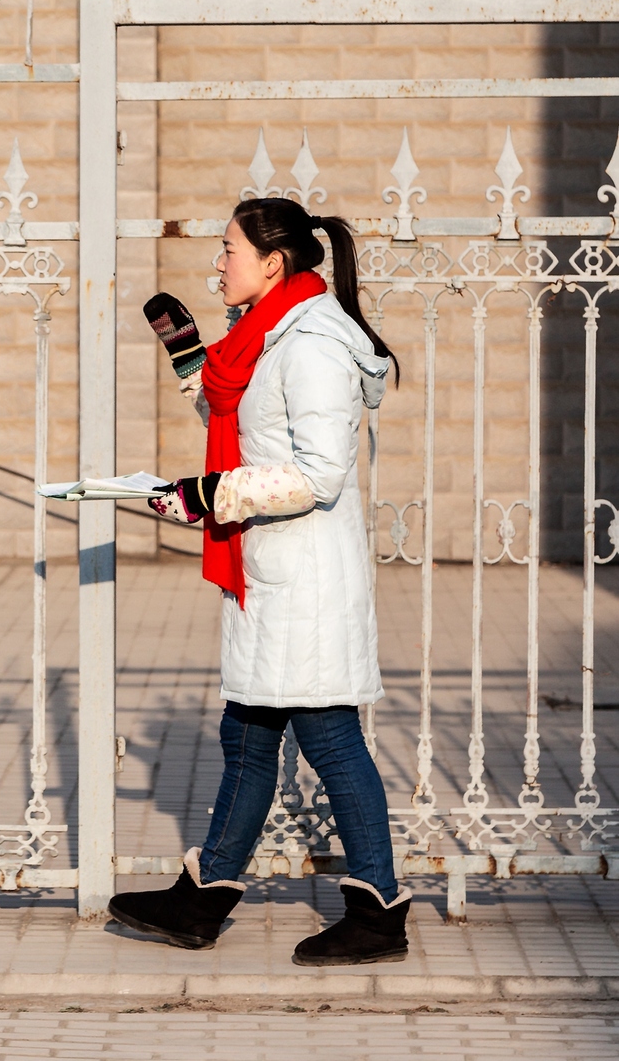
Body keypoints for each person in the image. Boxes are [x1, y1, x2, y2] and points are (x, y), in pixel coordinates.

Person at [108, 197, 410, 967]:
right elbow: (237, 408)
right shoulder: (265, 335)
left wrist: (208, 494)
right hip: (268, 573)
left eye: (228, 250)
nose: (218, 264)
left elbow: (316, 472)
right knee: (246, 738)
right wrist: (188, 362)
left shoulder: (311, 344)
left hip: (304, 577)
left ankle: (378, 909)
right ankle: (204, 895)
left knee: (331, 740)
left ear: (274, 263)